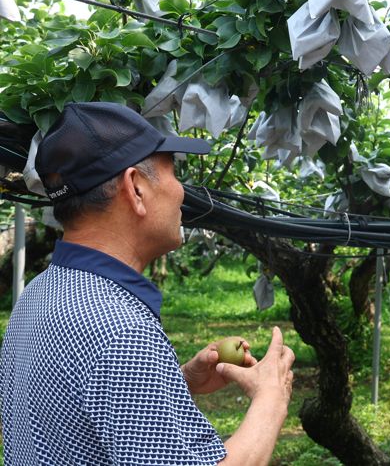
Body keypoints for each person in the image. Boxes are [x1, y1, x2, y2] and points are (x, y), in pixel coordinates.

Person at [1, 102, 294, 465]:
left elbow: (74, 420)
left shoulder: (38, 294)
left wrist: (176, 381)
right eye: (173, 173)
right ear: (136, 188)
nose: (182, 192)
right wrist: (272, 398)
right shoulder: (120, 331)